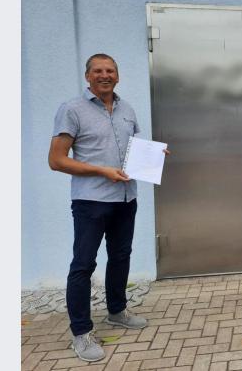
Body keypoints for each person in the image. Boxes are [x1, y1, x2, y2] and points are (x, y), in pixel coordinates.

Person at [49, 54, 161, 362]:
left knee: (121, 256)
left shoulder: (127, 109)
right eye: (97, 71)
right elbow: (56, 160)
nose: (104, 75)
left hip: (125, 199)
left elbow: (133, 150)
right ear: (87, 76)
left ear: (118, 76)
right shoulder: (72, 109)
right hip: (91, 201)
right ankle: (81, 333)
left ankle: (116, 311)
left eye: (110, 70)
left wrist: (153, 156)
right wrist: (101, 171)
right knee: (83, 265)